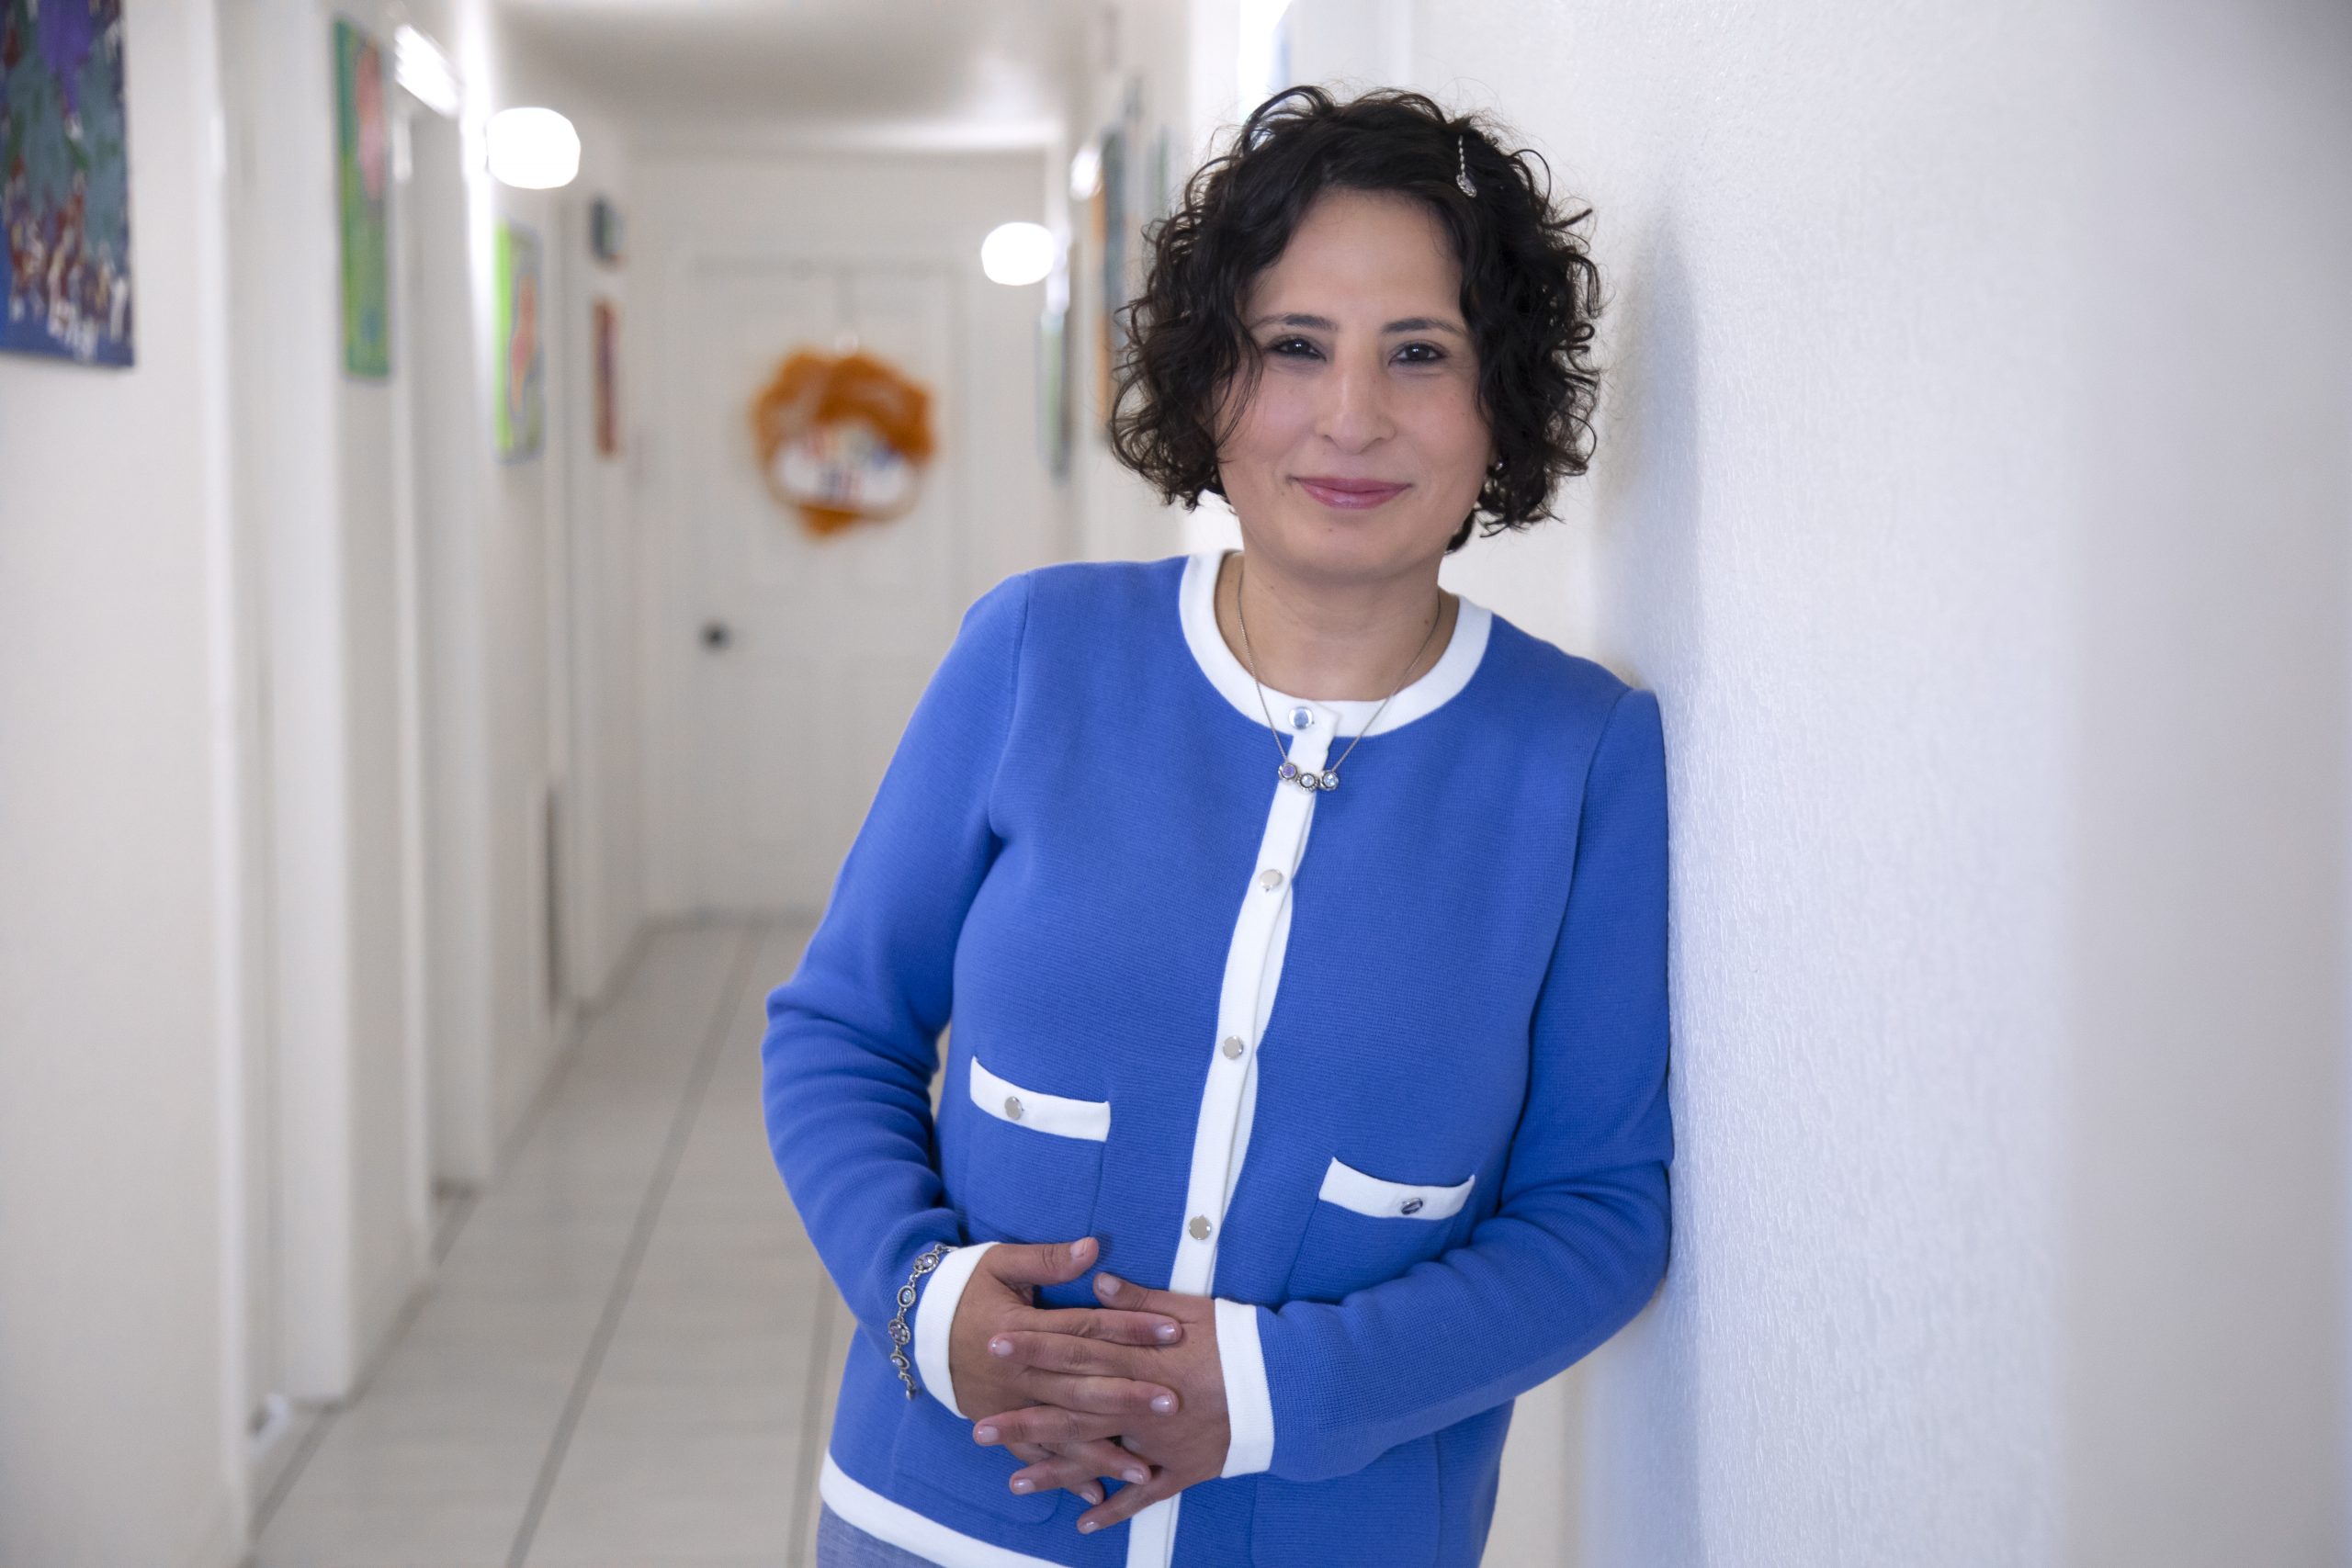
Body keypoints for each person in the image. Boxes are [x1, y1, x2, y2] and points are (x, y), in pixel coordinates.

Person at [764, 84, 1674, 1568]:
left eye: (1421, 355)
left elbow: (1600, 1212)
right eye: (1292, 347)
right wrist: (918, 1296)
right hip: (940, 1522)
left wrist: (1265, 1391)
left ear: (1500, 398)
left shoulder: (1578, 758)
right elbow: (836, 1027)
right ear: (1209, 384)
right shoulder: (1036, 653)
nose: (1352, 416)